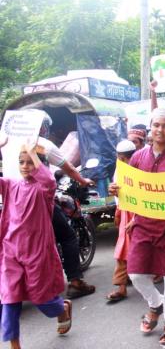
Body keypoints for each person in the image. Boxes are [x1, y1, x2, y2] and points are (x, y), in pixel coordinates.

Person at [108, 108, 165, 348]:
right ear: (150, 129)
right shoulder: (137, 157)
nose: (160, 130)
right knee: (136, 273)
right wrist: (117, 189)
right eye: (156, 125)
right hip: (143, 223)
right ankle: (156, 304)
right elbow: (130, 189)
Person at [0, 138, 73, 349]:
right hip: (10, 250)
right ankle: (15, 344)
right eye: (21, 162)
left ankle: (62, 308)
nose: (25, 166)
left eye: (30, 162)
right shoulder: (11, 185)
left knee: (41, 298)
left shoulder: (44, 190)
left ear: (39, 165)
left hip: (36, 251)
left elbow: (49, 181)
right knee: (9, 298)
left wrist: (33, 152)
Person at [30, 110, 96, 299]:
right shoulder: (42, 145)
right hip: (39, 201)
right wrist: (83, 180)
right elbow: (67, 167)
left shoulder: (7, 143)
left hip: (13, 202)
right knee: (68, 237)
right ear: (43, 127)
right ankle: (75, 281)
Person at [106, 140, 137, 303]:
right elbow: (117, 191)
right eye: (121, 158)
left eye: (126, 158)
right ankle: (121, 287)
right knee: (123, 249)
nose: (123, 162)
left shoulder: (142, 166)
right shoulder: (120, 170)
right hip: (125, 212)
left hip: (142, 213)